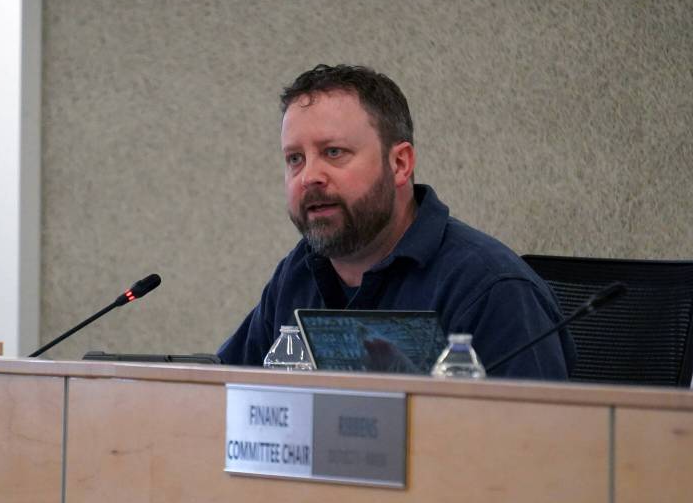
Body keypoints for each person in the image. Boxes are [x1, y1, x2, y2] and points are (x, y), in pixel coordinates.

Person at [218, 64, 573, 379]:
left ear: (400, 164)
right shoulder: (297, 273)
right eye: (295, 158)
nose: (309, 176)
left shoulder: (491, 288)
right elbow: (222, 399)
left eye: (333, 152)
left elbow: (539, 444)